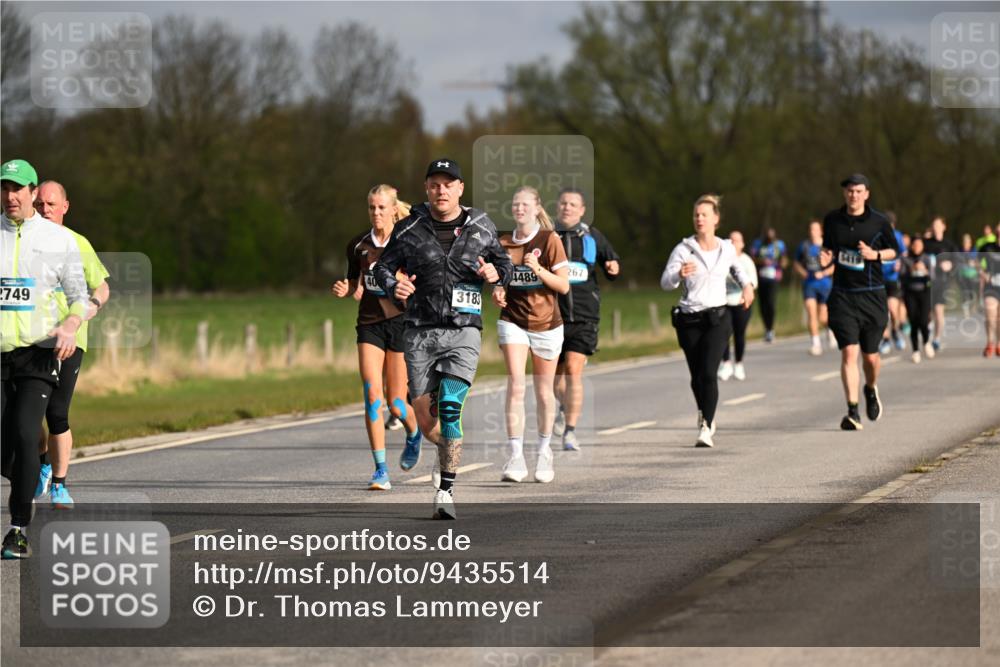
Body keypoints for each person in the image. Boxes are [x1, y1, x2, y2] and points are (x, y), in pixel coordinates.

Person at [372, 159, 513, 519]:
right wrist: (394, 284)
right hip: (419, 330)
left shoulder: (480, 225)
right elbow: (383, 267)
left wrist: (498, 274)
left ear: (460, 188)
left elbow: (504, 264)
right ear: (427, 189)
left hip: (463, 329)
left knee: (450, 405)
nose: (442, 191)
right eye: (435, 184)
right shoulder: (409, 228)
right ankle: (445, 452)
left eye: (448, 184)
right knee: (425, 416)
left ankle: (446, 490)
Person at [1, 159, 90, 559]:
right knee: (9, 448)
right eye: (4, 188)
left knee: (24, 431)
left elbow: (80, 295)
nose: (10, 196)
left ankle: (17, 529)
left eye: (18, 188)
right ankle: (24, 473)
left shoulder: (58, 240)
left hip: (38, 354)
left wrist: (70, 325)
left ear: (34, 193)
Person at [332, 184, 422, 491]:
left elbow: (421, 283)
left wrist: (401, 281)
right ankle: (380, 469)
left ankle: (413, 432)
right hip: (369, 324)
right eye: (372, 208)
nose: (376, 213)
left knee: (397, 403)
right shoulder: (357, 245)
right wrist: (346, 288)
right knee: (372, 395)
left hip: (400, 323)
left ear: (394, 209)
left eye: (382, 207)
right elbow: (354, 280)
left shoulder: (409, 243)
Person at [32, 180, 110, 509]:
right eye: (39, 206)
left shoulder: (77, 243)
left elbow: (102, 287)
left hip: (69, 340)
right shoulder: (24, 242)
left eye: (51, 205)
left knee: (57, 412)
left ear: (65, 207)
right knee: (27, 413)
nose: (45, 210)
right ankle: (43, 462)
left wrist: (85, 312)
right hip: (30, 338)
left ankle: (59, 484)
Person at [661, 194, 755, 448]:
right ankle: (703, 412)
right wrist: (678, 274)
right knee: (696, 376)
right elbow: (665, 282)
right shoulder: (684, 249)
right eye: (696, 215)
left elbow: (738, 270)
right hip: (689, 319)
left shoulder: (726, 248)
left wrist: (747, 287)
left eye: (704, 215)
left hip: (717, 317)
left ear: (716, 219)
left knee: (709, 372)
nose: (699, 219)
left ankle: (706, 427)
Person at [492, 186, 569, 483]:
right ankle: (515, 455)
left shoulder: (549, 240)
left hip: (548, 323)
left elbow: (563, 286)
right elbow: (500, 282)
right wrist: (498, 291)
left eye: (525, 204)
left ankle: (545, 451)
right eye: (515, 204)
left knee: (543, 390)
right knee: (516, 383)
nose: (519, 209)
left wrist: (538, 270)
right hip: (513, 320)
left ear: (537, 208)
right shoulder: (504, 243)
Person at [820, 173, 899, 430]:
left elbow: (894, 251)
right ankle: (852, 411)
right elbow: (829, 248)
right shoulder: (832, 220)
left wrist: (874, 254)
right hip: (842, 296)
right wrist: (826, 258)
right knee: (849, 352)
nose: (853, 195)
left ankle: (870, 387)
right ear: (845, 193)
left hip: (872, 295)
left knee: (871, 357)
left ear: (867, 194)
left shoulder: (879, 222)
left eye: (858, 191)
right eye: (850, 191)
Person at [551, 188, 620, 451]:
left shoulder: (593, 236)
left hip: (584, 315)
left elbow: (612, 262)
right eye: (563, 203)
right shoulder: (548, 236)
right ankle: (564, 406)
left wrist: (613, 268)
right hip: (552, 317)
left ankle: (570, 431)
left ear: (581, 210)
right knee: (554, 381)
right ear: (558, 207)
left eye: (573, 204)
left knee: (573, 371)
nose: (567, 207)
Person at [718, 230, 757, 381]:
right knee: (724, 333)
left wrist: (747, 291)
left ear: (742, 244)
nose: (733, 243)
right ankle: (726, 363)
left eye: (737, 240)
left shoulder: (746, 261)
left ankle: (739, 364)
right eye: (731, 240)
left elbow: (753, 282)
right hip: (724, 302)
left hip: (741, 302)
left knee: (739, 334)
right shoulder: (722, 259)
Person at [793, 219, 835, 356]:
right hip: (809, 285)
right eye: (811, 229)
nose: (813, 232)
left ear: (821, 231)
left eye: (815, 229)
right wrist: (803, 273)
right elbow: (796, 263)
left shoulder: (828, 245)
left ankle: (830, 329)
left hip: (825, 285)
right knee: (811, 313)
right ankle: (816, 344)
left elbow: (835, 266)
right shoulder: (804, 246)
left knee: (823, 317)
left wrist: (823, 273)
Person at [923, 216, 958, 352]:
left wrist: (950, 265)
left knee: (938, 312)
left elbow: (957, 262)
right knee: (926, 313)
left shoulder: (949, 245)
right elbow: (916, 255)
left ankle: (936, 339)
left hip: (942, 282)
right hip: (926, 282)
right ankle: (928, 326)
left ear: (944, 227)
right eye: (934, 225)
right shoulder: (926, 244)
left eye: (938, 225)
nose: (936, 228)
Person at [750, 226, 787, 343]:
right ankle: (767, 328)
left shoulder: (779, 245)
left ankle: (770, 329)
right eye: (768, 238)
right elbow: (752, 258)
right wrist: (762, 261)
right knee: (762, 305)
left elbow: (785, 260)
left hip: (773, 278)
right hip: (760, 277)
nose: (770, 240)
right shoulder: (757, 244)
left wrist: (780, 265)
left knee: (770, 303)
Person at [878, 211, 908, 354]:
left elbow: (904, 254)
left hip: (893, 279)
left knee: (893, 310)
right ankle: (885, 339)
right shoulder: (876, 236)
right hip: (879, 278)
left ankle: (895, 331)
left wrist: (899, 264)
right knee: (883, 311)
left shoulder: (898, 236)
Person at [900, 237, 934, 363]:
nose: (917, 247)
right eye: (915, 245)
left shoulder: (927, 258)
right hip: (910, 293)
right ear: (911, 246)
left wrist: (924, 270)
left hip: (924, 292)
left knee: (924, 321)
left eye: (919, 245)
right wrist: (911, 270)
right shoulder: (905, 258)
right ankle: (915, 351)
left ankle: (926, 341)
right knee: (913, 322)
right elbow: (901, 277)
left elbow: (933, 276)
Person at [979, 238, 1000, 358]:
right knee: (990, 313)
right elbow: (976, 261)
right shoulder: (987, 247)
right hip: (990, 286)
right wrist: (982, 272)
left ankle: (999, 344)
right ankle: (990, 342)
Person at [958, 233, 980, 318]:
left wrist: (974, 263)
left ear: (970, 242)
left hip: (973, 275)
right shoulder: (959, 251)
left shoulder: (974, 250)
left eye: (968, 242)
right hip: (963, 275)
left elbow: (977, 262)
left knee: (972, 293)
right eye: (964, 242)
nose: (966, 243)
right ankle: (965, 309)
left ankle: (972, 306)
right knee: (964, 292)